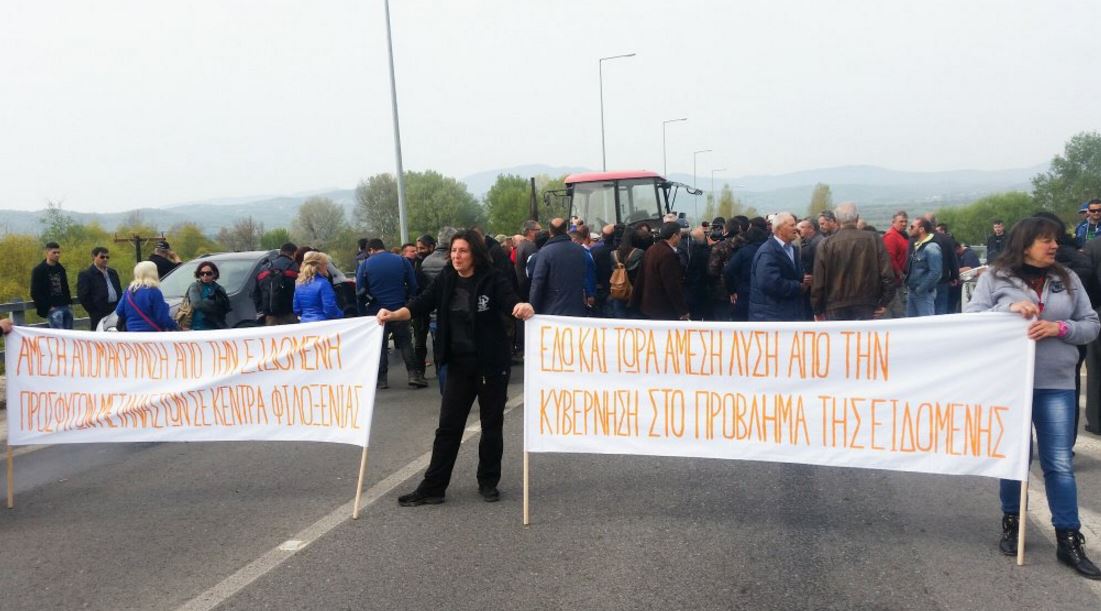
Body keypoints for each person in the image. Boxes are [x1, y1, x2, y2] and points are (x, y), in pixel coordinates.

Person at [964, 216, 1101, 580]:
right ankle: (1013, 522)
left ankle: (1068, 538)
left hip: (1056, 382)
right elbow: (971, 318)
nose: (1053, 245)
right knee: (1015, 457)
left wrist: (1061, 328)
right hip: (1010, 383)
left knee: (1058, 462)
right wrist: (1005, 311)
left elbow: (1090, 323)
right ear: (1024, 243)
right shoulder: (995, 277)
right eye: (1044, 240)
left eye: (1055, 239)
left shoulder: (1067, 279)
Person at [377, 230, 535, 506]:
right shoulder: (446, 279)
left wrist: (521, 306)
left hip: (490, 365)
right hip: (458, 366)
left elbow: (511, 300)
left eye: (462, 251)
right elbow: (420, 304)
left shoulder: (492, 278)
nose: (456, 256)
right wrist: (392, 315)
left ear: (474, 253)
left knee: (491, 426)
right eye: (453, 251)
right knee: (448, 428)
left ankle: (488, 481)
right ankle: (433, 487)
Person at [811, 203, 895, 320]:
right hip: (868, 304)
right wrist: (884, 302)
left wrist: (817, 309)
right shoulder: (874, 239)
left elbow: (818, 282)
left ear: (837, 220)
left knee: (840, 338)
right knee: (865, 338)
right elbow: (888, 275)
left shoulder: (826, 244)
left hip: (835, 307)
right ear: (857, 218)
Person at [357, 238, 422, 389]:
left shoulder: (365, 264)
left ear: (371, 250)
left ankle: (381, 380)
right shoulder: (401, 261)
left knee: (380, 346)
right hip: (399, 309)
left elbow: (360, 291)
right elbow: (413, 285)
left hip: (377, 313)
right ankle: (413, 375)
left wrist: (363, 314)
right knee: (406, 343)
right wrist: (408, 303)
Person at [748, 212, 810, 322]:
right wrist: (798, 287)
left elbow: (793, 274)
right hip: (772, 317)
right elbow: (769, 283)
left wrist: (803, 278)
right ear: (779, 228)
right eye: (792, 225)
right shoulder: (768, 251)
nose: (795, 228)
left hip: (787, 313)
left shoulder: (792, 249)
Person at [529, 217, 592, 316]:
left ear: (550, 231)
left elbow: (537, 283)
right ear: (565, 230)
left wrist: (533, 308)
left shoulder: (545, 252)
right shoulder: (580, 250)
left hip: (552, 310)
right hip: (577, 308)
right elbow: (586, 276)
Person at [631, 222, 690, 321]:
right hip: (663, 308)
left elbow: (641, 277)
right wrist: (682, 311)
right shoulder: (668, 255)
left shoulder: (651, 249)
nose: (680, 238)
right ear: (674, 236)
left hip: (648, 305)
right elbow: (672, 285)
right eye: (679, 235)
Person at [723, 217, 769, 321]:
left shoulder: (744, 252)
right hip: (766, 295)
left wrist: (732, 290)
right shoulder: (770, 251)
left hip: (744, 294)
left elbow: (728, 270)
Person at [114, 261, 178, 332]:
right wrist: (176, 327)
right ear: (153, 273)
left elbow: (119, 311)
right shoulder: (154, 291)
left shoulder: (128, 290)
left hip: (132, 333)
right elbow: (162, 318)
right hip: (150, 334)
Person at [76, 246, 122, 331]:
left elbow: (118, 290)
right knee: (99, 338)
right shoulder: (86, 274)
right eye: (102, 257)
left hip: (115, 311)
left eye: (107, 257)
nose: (105, 259)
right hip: (99, 313)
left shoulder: (112, 272)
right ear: (94, 257)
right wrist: (94, 311)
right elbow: (83, 296)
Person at [253, 242, 300, 325]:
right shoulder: (294, 267)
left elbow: (255, 293)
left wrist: (261, 311)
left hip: (270, 316)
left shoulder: (265, 267)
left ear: (281, 252)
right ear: (294, 253)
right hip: (290, 314)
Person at [30, 241, 73, 329]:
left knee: (70, 336)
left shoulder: (61, 269)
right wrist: (48, 308)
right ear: (47, 253)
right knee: (58, 337)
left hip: (65, 306)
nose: (57, 255)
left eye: (58, 252)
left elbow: (65, 287)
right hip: (52, 308)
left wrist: (68, 303)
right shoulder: (39, 270)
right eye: (54, 252)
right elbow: (35, 292)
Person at [293, 251, 344, 323]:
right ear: (320, 266)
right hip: (322, 324)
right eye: (326, 264)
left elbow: (297, 309)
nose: (327, 267)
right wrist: (341, 315)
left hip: (304, 323)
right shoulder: (323, 283)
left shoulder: (299, 284)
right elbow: (330, 309)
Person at [906, 218, 941, 317]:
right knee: (911, 325)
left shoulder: (931, 248)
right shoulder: (917, 245)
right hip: (913, 292)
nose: (909, 228)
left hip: (923, 294)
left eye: (912, 227)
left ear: (921, 229)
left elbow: (936, 272)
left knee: (927, 326)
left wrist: (921, 288)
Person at [185, 261, 231, 330]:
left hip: (216, 326)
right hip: (198, 327)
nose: (205, 275)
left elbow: (225, 307)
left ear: (214, 274)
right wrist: (214, 304)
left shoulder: (219, 289)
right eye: (202, 273)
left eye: (208, 273)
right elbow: (197, 304)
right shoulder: (195, 286)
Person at [882, 211, 910, 318]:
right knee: (898, 311)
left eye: (905, 221)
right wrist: (899, 273)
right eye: (901, 221)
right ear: (893, 222)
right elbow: (889, 257)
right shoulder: (891, 236)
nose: (903, 224)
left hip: (900, 280)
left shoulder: (902, 235)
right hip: (894, 280)